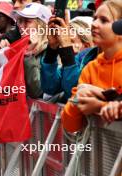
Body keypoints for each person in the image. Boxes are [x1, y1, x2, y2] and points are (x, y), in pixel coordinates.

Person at [62, 0, 122, 133]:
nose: (94, 23)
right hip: (99, 152)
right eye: (95, 18)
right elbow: (70, 126)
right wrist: (77, 100)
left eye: (104, 20)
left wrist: (100, 105)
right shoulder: (90, 68)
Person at [40, 14, 95, 102]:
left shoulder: (93, 61)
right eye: (63, 39)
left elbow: (73, 93)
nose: (64, 43)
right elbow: (49, 87)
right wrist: (52, 49)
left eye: (71, 41)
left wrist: (67, 51)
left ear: (86, 45)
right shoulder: (70, 62)